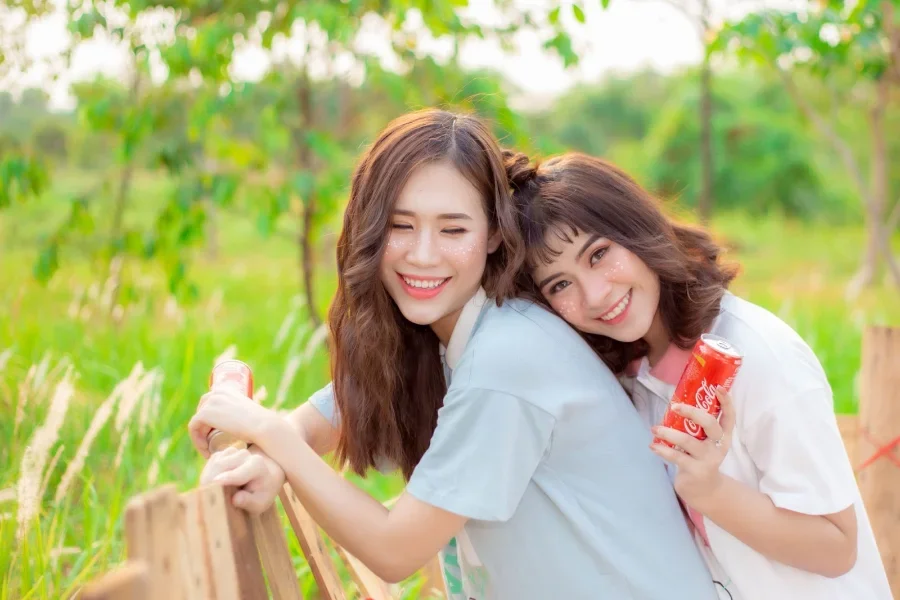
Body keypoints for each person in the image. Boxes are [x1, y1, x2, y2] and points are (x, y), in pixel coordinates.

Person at [188, 110, 719, 599]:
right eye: (400, 225)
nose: (423, 254)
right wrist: (269, 456)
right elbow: (325, 419)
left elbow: (395, 551)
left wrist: (272, 436)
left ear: (492, 234)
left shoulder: (509, 355)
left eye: (453, 229)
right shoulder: (444, 337)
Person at [509, 150, 893, 599]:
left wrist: (711, 492)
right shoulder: (629, 374)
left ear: (637, 230)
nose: (593, 296)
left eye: (598, 254)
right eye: (559, 285)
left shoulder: (759, 354)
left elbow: (838, 547)